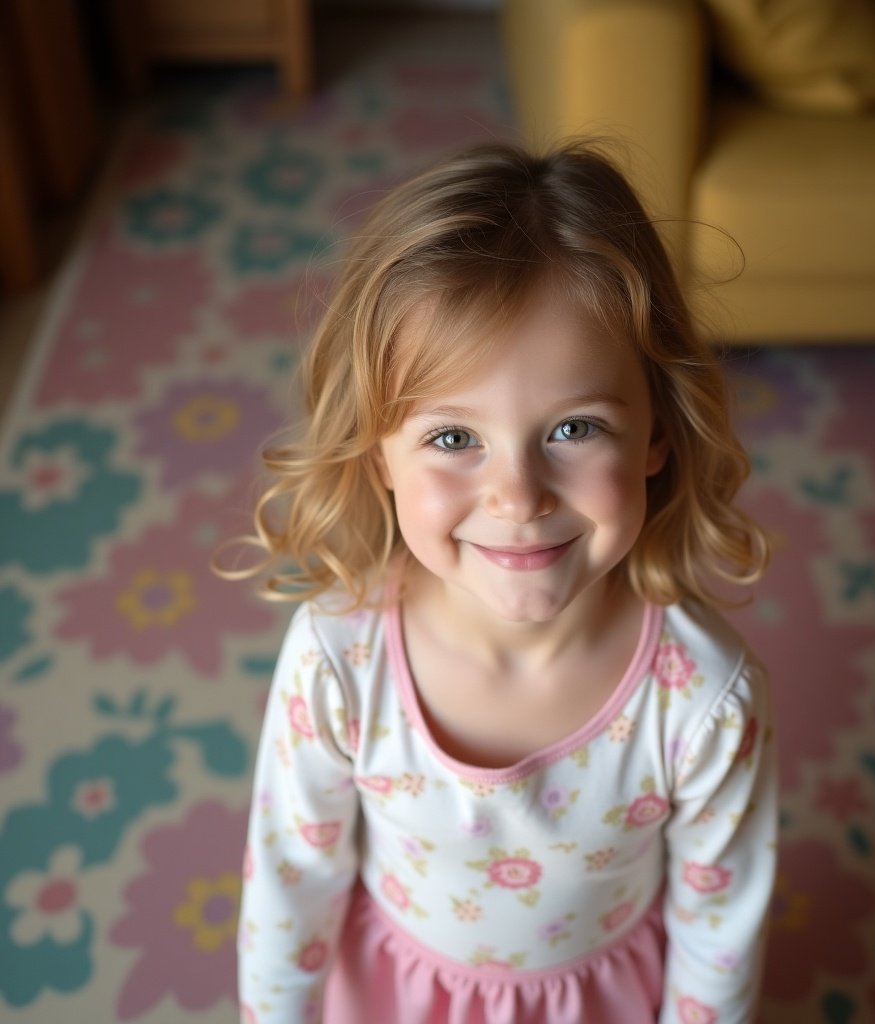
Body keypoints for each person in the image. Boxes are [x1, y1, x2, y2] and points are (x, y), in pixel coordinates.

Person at [229, 140, 777, 1024]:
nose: (518, 498)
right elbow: (291, 883)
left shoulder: (706, 699)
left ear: (656, 436)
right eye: (453, 438)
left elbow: (720, 926)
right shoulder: (338, 657)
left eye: (574, 429)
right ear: (380, 459)